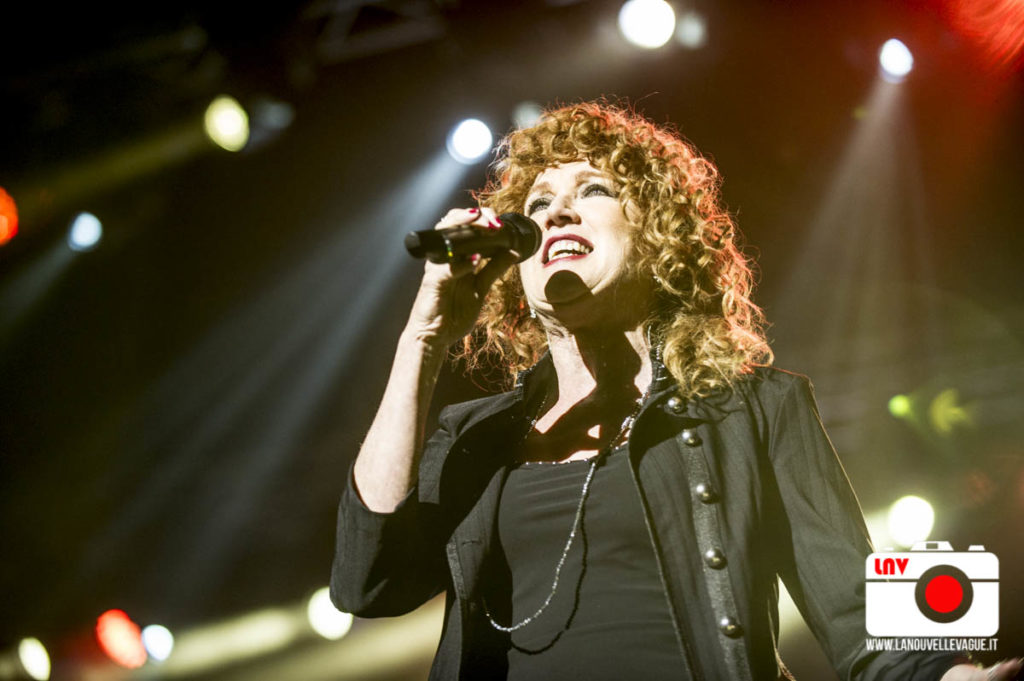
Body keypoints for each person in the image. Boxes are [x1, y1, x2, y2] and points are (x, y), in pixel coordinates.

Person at [330, 101, 1021, 680]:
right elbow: (367, 583)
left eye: (592, 192)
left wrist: (953, 673)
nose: (558, 214)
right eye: (539, 204)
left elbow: (863, 614)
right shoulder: (473, 433)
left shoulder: (755, 406)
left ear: (660, 239)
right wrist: (421, 340)